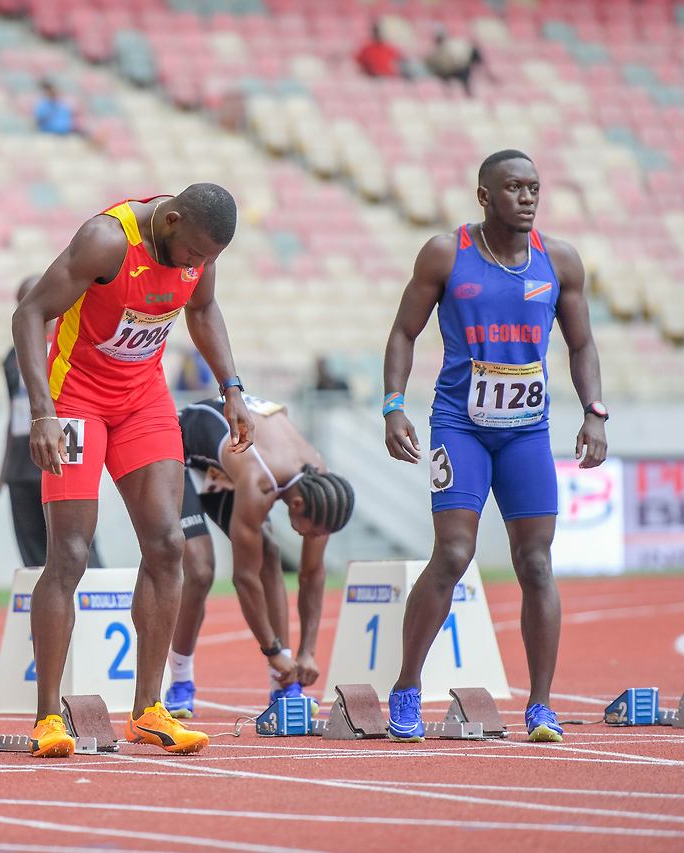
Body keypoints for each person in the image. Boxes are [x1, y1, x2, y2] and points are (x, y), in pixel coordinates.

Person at [12, 184, 253, 757]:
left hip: (143, 401)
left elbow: (203, 309)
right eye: (193, 253)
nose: (197, 264)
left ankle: (148, 710)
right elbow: (29, 314)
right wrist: (43, 414)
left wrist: (232, 389)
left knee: (168, 544)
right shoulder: (107, 241)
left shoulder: (199, 252)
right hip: (76, 400)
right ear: (170, 221)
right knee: (69, 553)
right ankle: (48, 717)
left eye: (208, 258)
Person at [381, 149, 607, 744]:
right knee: (454, 553)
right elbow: (403, 331)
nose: (527, 197)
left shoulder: (559, 260)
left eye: (534, 187)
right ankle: (406, 687)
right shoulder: (445, 253)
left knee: (536, 562)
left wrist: (595, 412)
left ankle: (541, 706)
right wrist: (393, 404)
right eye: (513, 187)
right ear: (485, 196)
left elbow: (582, 345)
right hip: (460, 425)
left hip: (526, 431)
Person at [165, 394, 354, 717]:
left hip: (227, 464)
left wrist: (306, 653)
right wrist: (272, 650)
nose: (310, 538)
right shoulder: (259, 482)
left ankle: (283, 683)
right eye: (310, 532)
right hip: (182, 452)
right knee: (200, 570)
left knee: (269, 555)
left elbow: (312, 574)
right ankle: (181, 682)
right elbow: (244, 578)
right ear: (296, 505)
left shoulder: (322, 486)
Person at [0, 275, 103, 569]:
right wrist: (2, 475)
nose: (30, 305)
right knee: (33, 555)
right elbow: (14, 416)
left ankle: (97, 595)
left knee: (76, 543)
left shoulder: (72, 342)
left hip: (61, 451)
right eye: (22, 301)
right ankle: (44, 598)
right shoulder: (12, 356)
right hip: (22, 464)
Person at [424, 29, 488, 97]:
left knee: (465, 76)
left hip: (459, 69)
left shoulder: (454, 45)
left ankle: (468, 93)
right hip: (446, 71)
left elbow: (464, 59)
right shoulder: (437, 51)